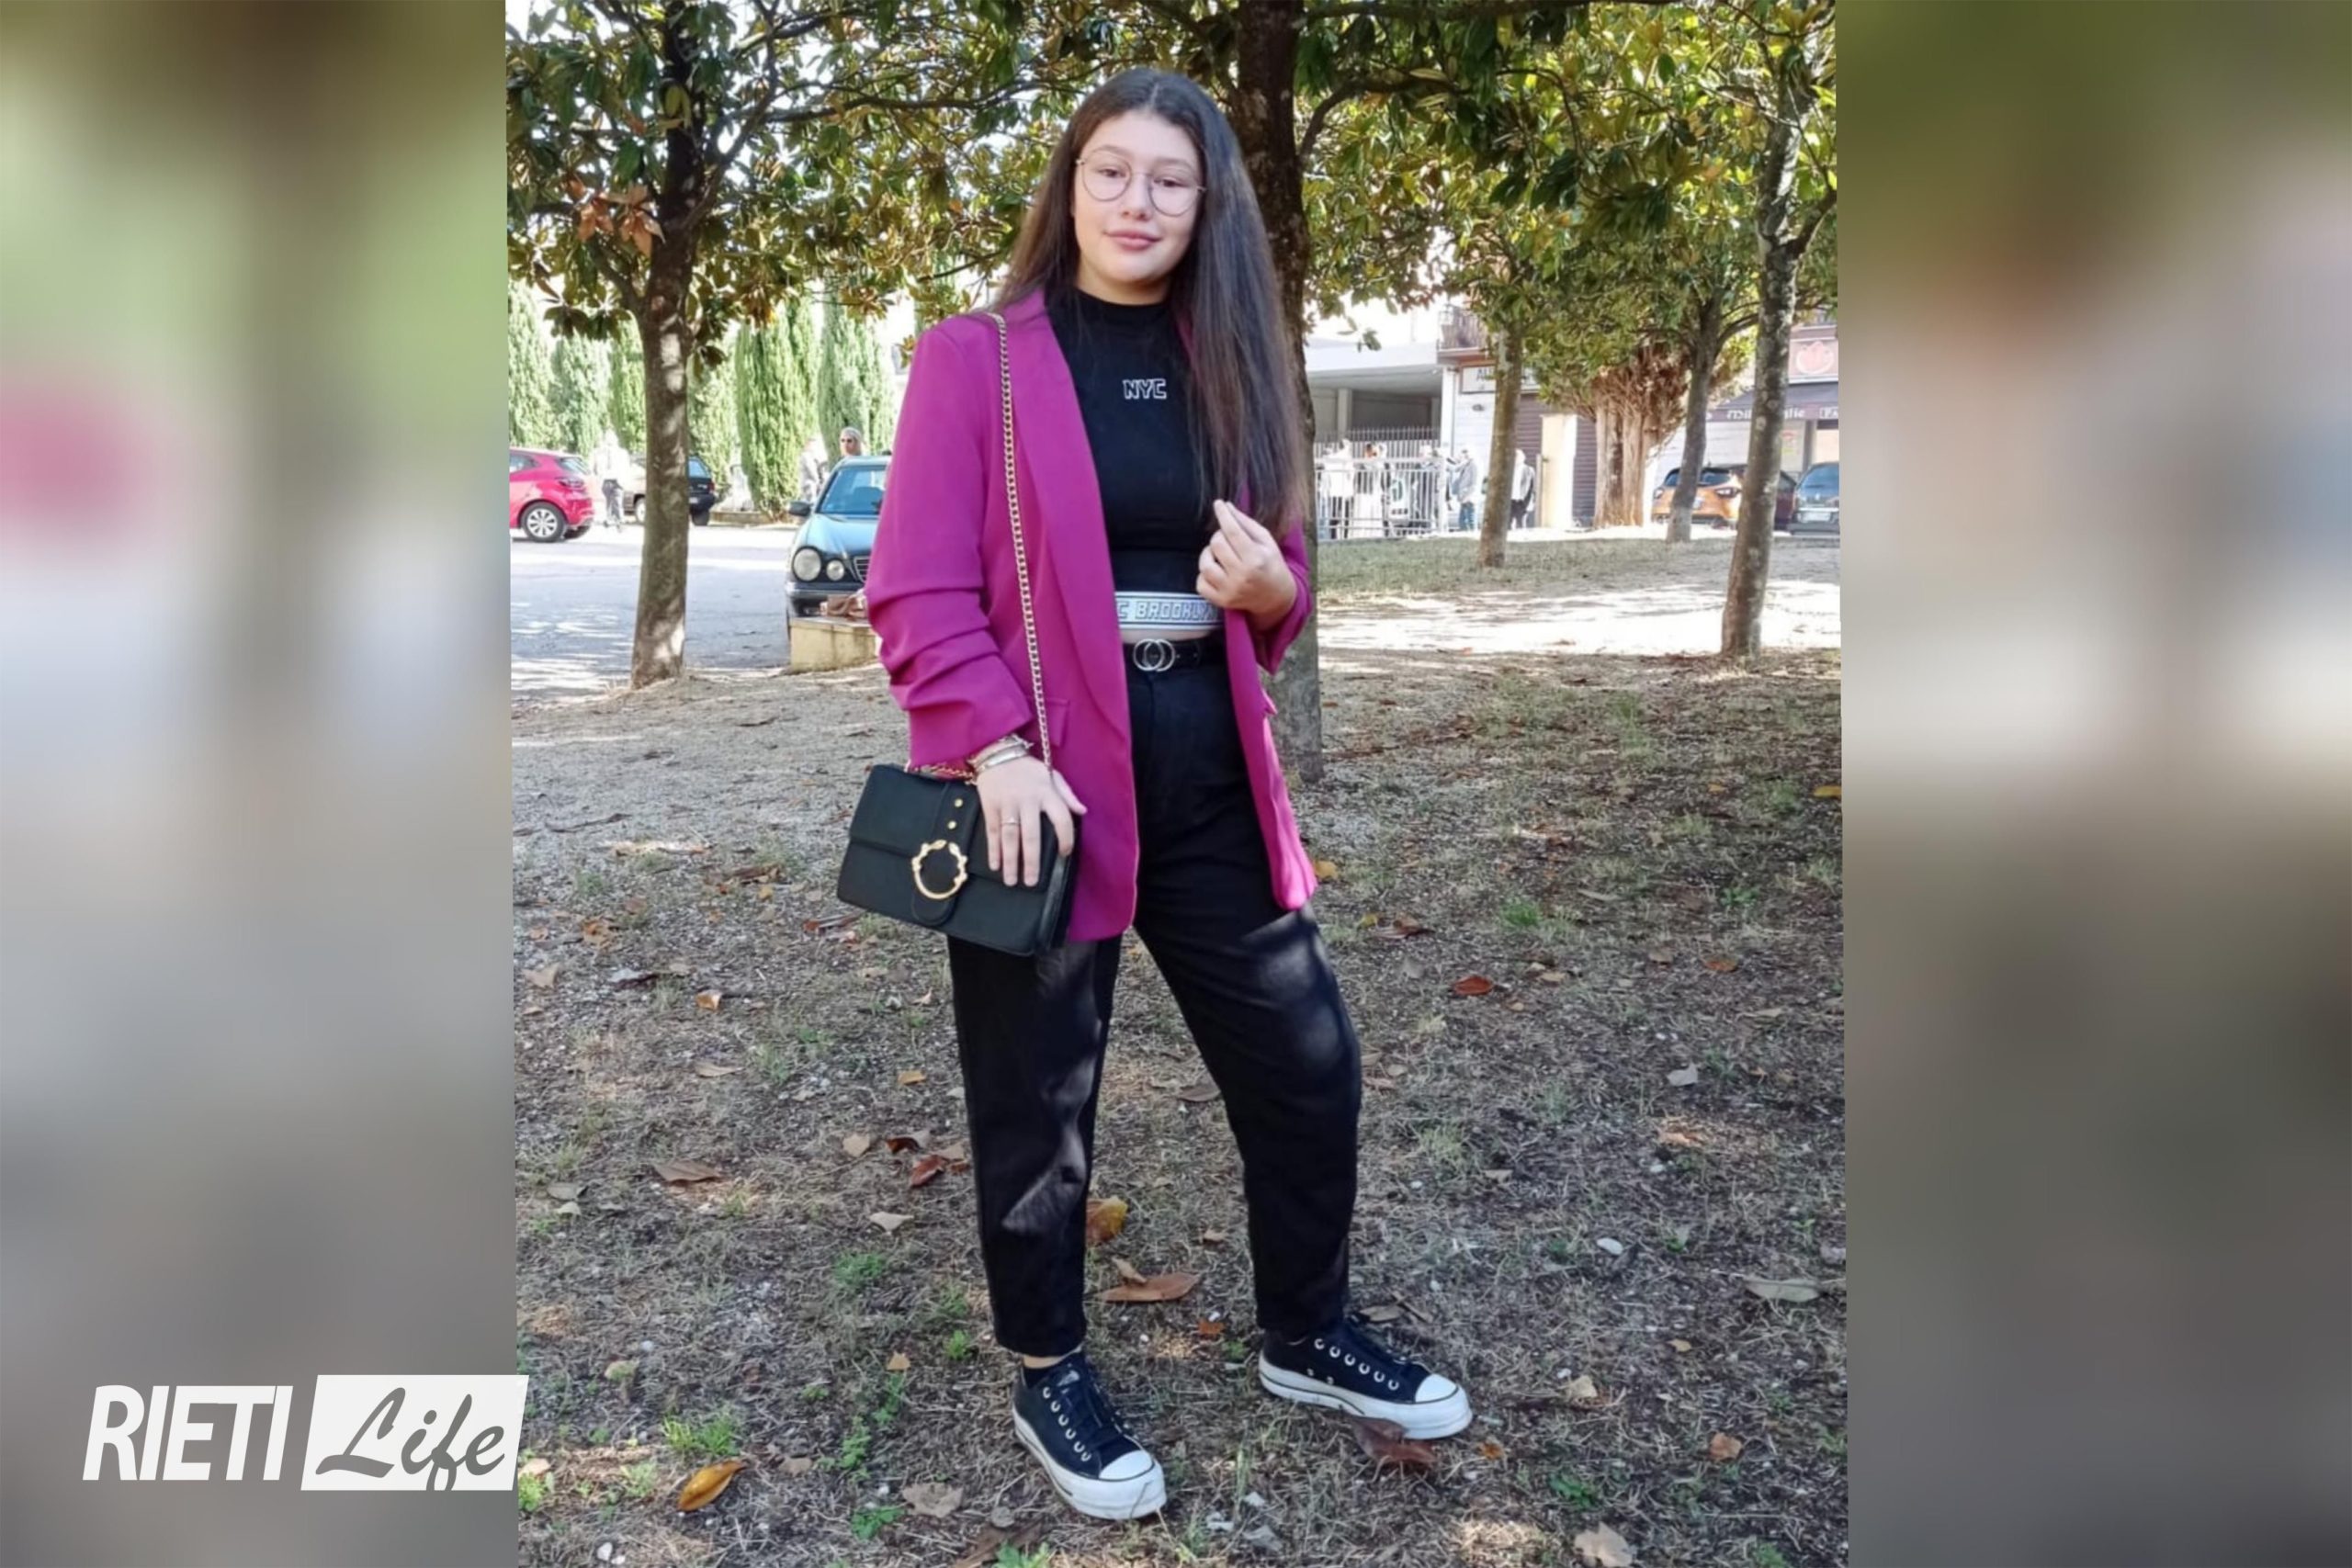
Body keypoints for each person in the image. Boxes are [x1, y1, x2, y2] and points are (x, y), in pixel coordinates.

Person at [863, 67, 1471, 1525]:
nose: (1137, 202)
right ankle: (1049, 1367)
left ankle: (1306, 1328)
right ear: (1069, 186)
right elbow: (917, 583)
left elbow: (1281, 572)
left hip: (1208, 764)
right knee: (1037, 1100)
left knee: (1308, 1060)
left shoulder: (1231, 360)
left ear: (1210, 207)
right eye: (1111, 172)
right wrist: (993, 749)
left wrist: (1272, 592)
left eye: (1170, 181)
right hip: (1043, 781)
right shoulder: (978, 359)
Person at [1445, 447, 1478, 532]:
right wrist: (1445, 460)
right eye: (1463, 452)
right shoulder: (1466, 463)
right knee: (1462, 521)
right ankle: (1465, 534)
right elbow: (1455, 469)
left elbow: (1475, 483)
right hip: (1463, 496)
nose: (1465, 454)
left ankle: (1472, 535)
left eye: (1466, 452)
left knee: (1470, 519)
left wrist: (1468, 496)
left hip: (1469, 497)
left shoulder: (1474, 464)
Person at [1510, 446, 1535, 529]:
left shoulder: (1529, 470)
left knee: (1520, 523)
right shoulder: (1509, 469)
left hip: (1522, 501)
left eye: (1516, 456)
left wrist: (1530, 502)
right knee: (1508, 523)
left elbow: (1532, 487)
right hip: (1510, 500)